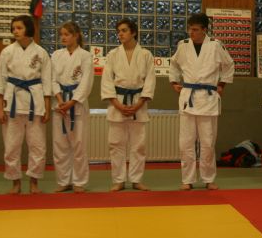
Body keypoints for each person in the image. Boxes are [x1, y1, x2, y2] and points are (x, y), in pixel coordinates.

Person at [170, 13, 234, 190]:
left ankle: (208, 178)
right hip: (188, 97)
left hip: (208, 98)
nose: (191, 32)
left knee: (207, 143)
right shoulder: (183, 45)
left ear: (205, 30)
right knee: (186, 143)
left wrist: (222, 84)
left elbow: (229, 65)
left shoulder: (215, 45)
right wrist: (174, 82)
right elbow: (174, 64)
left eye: (195, 29)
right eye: (190, 29)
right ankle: (187, 179)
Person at [0, 15, 52, 194]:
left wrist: (47, 108)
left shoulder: (41, 52)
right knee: (11, 146)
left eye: (19, 28)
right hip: (12, 103)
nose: (15, 31)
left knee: (38, 146)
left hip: (35, 102)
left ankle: (34, 182)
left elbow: (47, 81)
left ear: (28, 28)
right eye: (13, 28)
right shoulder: (7, 52)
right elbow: (0, 80)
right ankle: (16, 183)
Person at [100, 18, 156, 192]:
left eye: (124, 30)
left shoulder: (146, 55)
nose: (120, 34)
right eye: (119, 31)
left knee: (138, 145)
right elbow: (107, 81)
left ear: (133, 32)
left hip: (138, 101)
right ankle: (118, 180)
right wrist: (117, 104)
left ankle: (136, 179)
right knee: (116, 144)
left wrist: (139, 103)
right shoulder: (113, 55)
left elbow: (150, 81)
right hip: (118, 101)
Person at [51, 21, 94, 193]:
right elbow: (52, 79)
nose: (63, 37)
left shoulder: (85, 56)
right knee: (60, 145)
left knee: (79, 145)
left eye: (66, 34)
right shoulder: (56, 55)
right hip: (60, 103)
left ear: (76, 36)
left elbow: (86, 82)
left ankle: (79, 181)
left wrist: (72, 102)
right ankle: (63, 180)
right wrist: (60, 99)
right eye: (61, 34)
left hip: (77, 104)